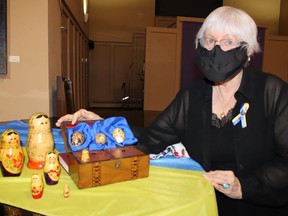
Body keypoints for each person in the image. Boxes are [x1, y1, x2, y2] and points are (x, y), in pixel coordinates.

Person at [56, 6, 288, 216]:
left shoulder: (271, 91)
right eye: (210, 40)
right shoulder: (192, 96)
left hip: (257, 205)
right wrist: (103, 124)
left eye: (228, 42)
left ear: (247, 51)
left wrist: (243, 187)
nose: (216, 49)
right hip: (203, 203)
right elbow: (151, 139)